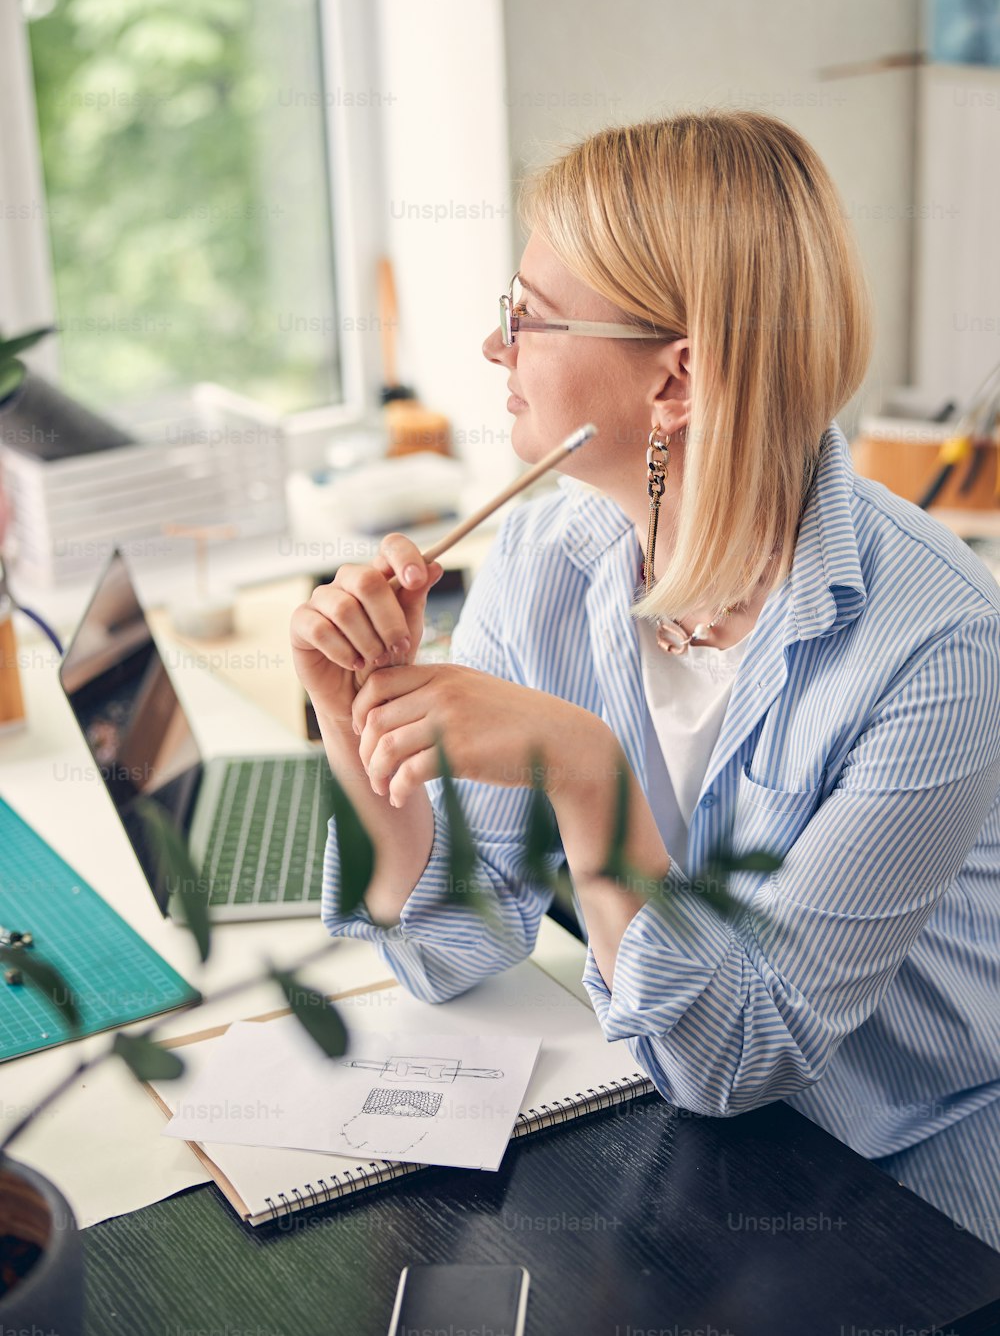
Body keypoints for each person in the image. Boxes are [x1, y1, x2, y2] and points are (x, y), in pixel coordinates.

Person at [290, 110, 1000, 1250]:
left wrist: (590, 779)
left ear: (676, 380)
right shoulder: (545, 552)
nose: (493, 348)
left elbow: (736, 1057)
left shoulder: (939, 645)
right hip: (684, 1147)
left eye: (525, 316)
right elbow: (452, 944)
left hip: (901, 1187)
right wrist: (352, 717)